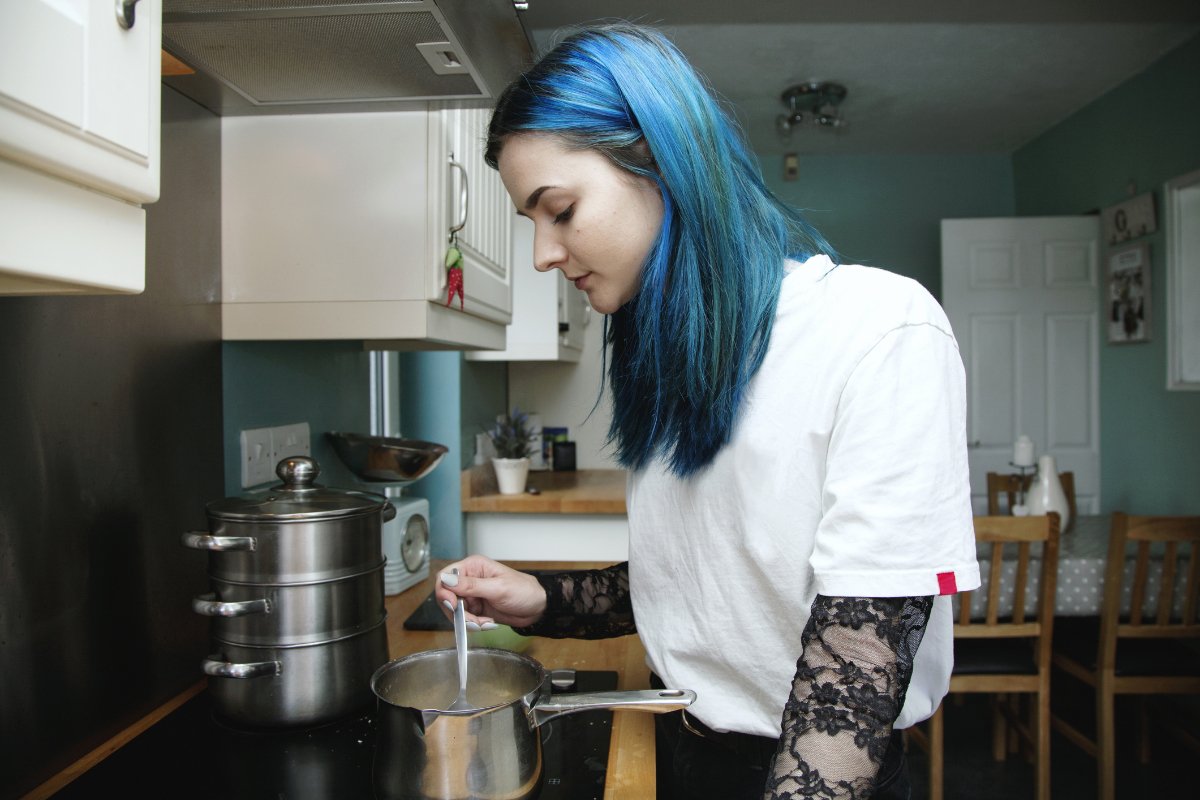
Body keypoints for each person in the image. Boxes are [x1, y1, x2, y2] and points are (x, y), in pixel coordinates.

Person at [436, 23, 980, 800]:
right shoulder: (674, 357)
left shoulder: (879, 329)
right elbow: (707, 576)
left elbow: (855, 674)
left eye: (557, 209)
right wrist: (544, 600)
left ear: (657, 158)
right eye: (531, 224)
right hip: (677, 741)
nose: (542, 256)